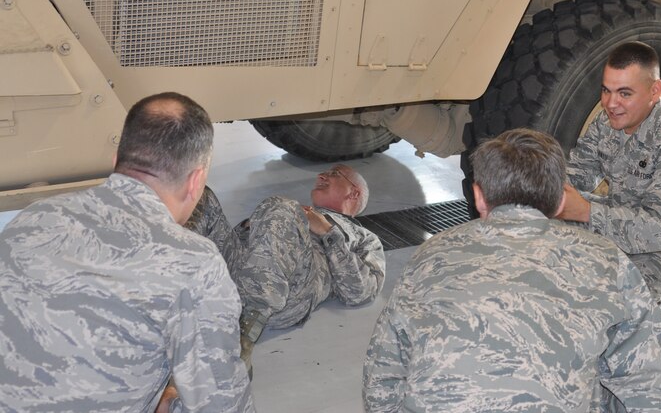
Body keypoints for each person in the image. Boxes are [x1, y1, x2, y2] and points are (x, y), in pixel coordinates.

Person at [363, 128, 661, 413]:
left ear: (478, 198)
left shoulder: (429, 256)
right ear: (560, 202)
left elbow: (381, 383)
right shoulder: (605, 260)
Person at [0, 92, 254, 413]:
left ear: (115, 162)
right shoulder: (192, 263)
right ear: (196, 181)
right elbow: (219, 404)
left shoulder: (34, 218)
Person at [559, 41, 661, 355]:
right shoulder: (607, 121)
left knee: (629, 314)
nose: (611, 103)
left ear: (654, 91)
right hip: (625, 218)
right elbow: (577, 173)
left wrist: (586, 212)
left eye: (624, 93)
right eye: (606, 91)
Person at [186, 164, 385, 365]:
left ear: (354, 193)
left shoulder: (364, 238)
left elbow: (362, 291)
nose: (321, 175)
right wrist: (251, 225)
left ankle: (244, 334)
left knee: (282, 205)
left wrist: (327, 231)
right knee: (195, 191)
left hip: (290, 292)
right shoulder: (293, 213)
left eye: (334, 174)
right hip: (237, 276)